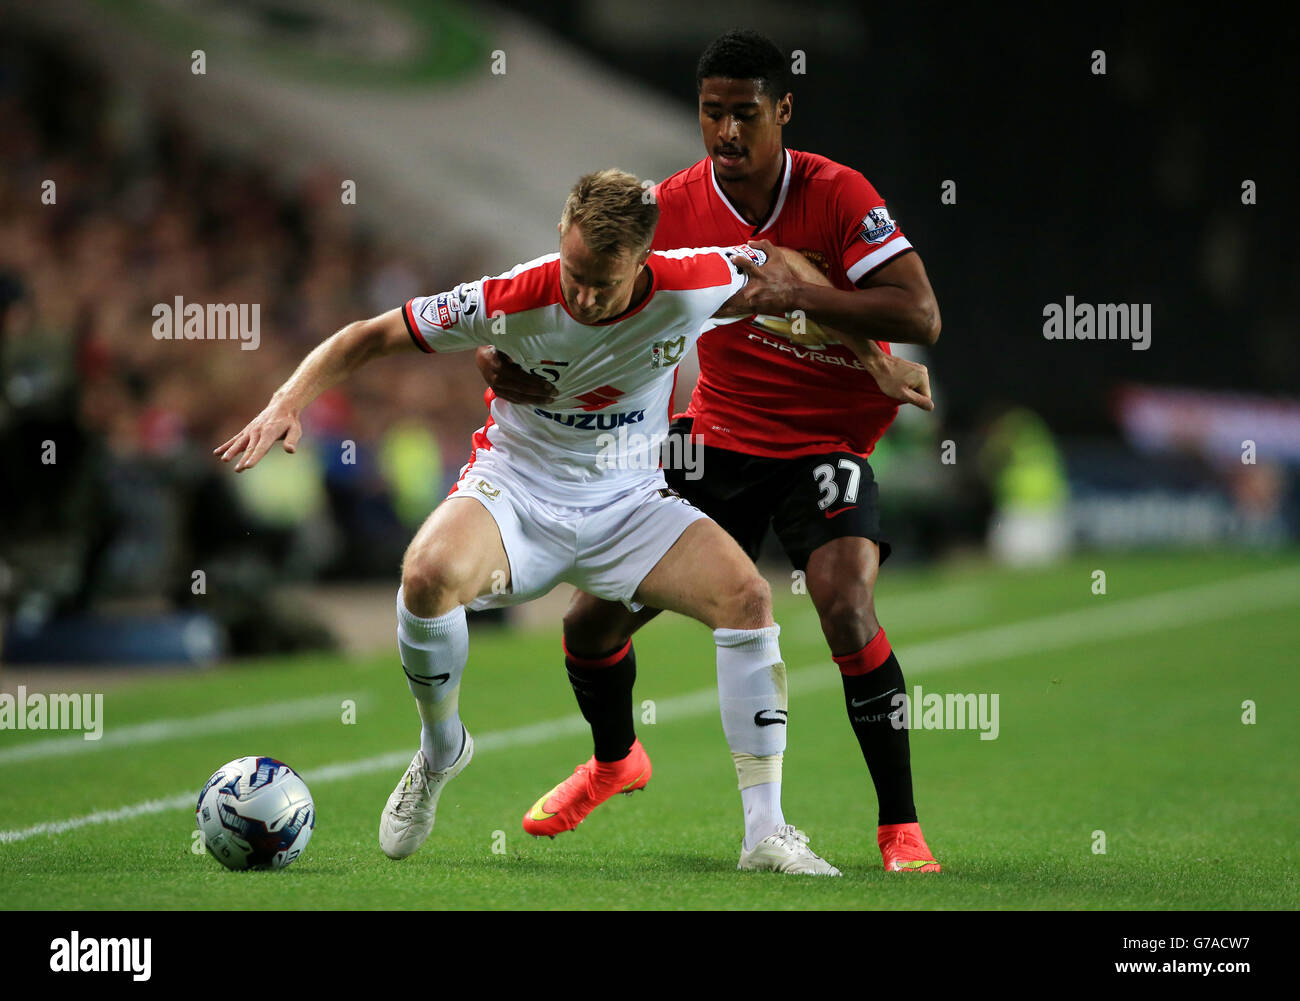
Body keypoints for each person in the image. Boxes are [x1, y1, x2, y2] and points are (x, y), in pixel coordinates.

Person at [215, 168, 840, 874]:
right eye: (575, 272)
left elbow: (781, 263)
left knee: (749, 598)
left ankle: (765, 832)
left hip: (629, 502)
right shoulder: (513, 295)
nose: (584, 293)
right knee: (425, 575)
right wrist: (286, 400)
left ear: (644, 261)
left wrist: (876, 358)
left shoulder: (693, 282)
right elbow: (368, 335)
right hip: (517, 491)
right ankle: (440, 745)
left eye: (604, 280)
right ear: (559, 244)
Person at [479, 30, 943, 872]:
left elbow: (921, 317)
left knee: (844, 602)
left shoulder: (839, 195)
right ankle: (618, 759)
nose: (727, 133)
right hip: (714, 436)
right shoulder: (670, 208)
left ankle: (900, 829)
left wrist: (800, 295)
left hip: (822, 445)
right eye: (712, 113)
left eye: (745, 114)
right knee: (589, 623)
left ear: (783, 111)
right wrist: (502, 347)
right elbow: (581, 288)